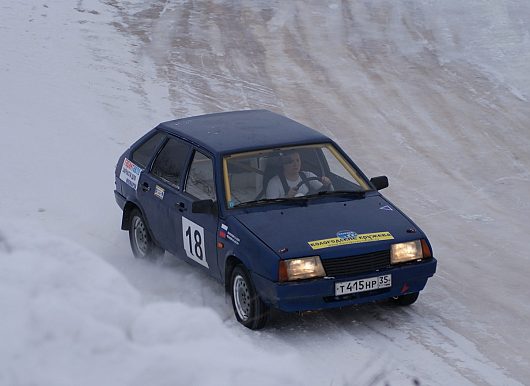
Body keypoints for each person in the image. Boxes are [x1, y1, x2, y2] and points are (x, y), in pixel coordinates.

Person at [265, 151, 332, 199]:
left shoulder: (307, 175)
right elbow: (270, 211)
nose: (296, 164)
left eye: (297, 160)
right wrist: (287, 198)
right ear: (283, 164)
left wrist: (327, 184)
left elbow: (325, 193)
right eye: (291, 161)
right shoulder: (274, 183)